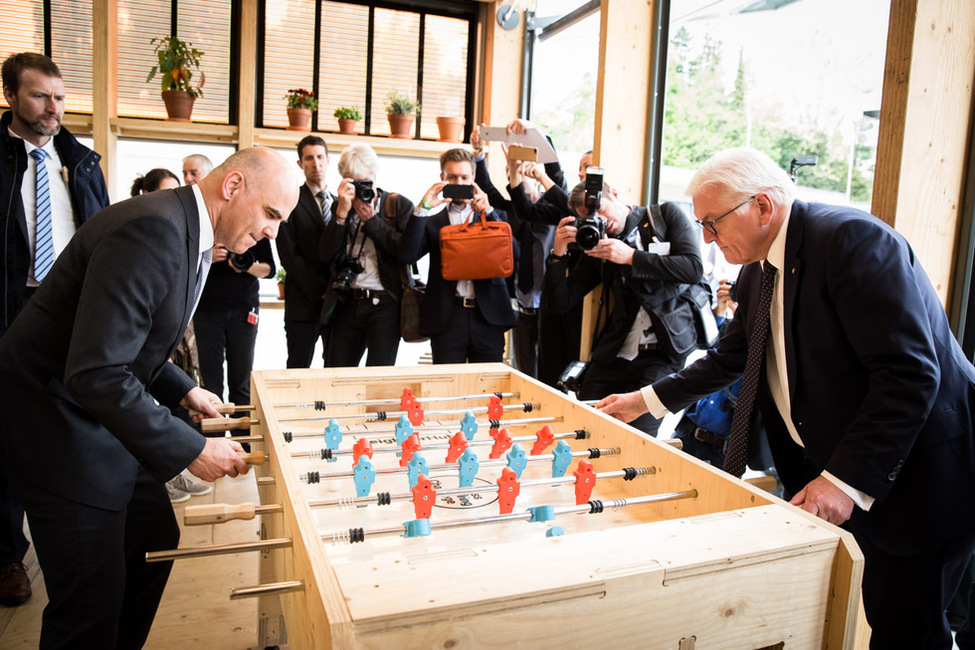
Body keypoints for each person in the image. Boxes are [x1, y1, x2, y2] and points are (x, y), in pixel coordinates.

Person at [596, 147, 975, 648]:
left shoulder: (850, 241)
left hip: (916, 475)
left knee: (909, 625)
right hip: (848, 470)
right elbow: (731, 357)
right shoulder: (759, 269)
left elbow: (907, 374)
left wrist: (843, 482)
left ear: (762, 206)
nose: (706, 239)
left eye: (712, 224)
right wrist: (644, 401)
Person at [0, 146, 297, 647]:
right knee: (89, 599)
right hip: (54, 420)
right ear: (232, 187)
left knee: (152, 541)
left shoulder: (187, 228)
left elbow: (131, 340)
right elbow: (96, 371)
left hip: (91, 409)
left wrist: (186, 391)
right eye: (271, 214)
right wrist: (192, 448)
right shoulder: (154, 229)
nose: (273, 233)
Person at [0, 52, 110, 608]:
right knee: (6, 434)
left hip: (68, 309)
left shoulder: (84, 163)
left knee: (67, 421)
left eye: (60, 98)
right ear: (12, 97)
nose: (53, 108)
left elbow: (107, 242)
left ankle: (76, 541)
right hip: (10, 307)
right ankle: (7, 557)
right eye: (41, 96)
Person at [546, 180, 703, 436]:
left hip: (663, 352)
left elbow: (693, 268)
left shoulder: (664, 216)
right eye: (587, 217)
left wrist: (630, 257)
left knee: (634, 440)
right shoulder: (598, 245)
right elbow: (559, 302)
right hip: (614, 353)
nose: (599, 219)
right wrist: (558, 253)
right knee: (582, 430)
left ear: (616, 194)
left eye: (600, 210)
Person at [318, 144, 420, 367]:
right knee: (336, 373)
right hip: (348, 300)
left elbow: (406, 252)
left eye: (366, 182)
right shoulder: (341, 206)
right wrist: (341, 215)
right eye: (354, 183)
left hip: (385, 303)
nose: (361, 189)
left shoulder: (398, 205)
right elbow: (326, 255)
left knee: (378, 377)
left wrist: (372, 221)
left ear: (375, 176)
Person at [415, 148, 516, 363]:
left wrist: (489, 212)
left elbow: (514, 257)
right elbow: (407, 254)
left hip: (488, 317)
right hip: (447, 319)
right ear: (442, 179)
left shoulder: (495, 217)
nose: (459, 183)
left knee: (489, 391)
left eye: (464, 177)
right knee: (448, 390)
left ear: (474, 179)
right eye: (452, 177)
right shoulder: (433, 223)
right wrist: (422, 208)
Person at [277, 135, 334, 367]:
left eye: (320, 157)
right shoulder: (289, 200)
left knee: (335, 368)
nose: (316, 163)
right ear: (300, 164)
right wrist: (319, 290)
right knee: (298, 369)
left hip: (336, 305)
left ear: (328, 160)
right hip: (303, 302)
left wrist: (332, 293)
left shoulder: (341, 202)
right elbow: (289, 256)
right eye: (309, 158)